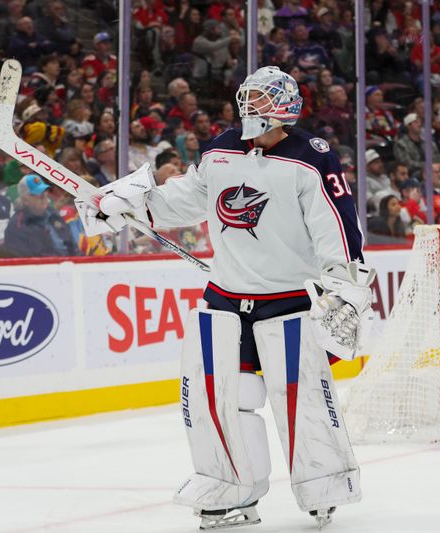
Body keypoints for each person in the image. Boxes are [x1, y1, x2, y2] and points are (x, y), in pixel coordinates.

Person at [77, 66, 371, 529]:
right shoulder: (220, 149)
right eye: (247, 97)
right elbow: (187, 198)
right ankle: (231, 489)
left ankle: (323, 485)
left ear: (285, 109)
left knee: (300, 398)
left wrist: (346, 286)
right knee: (221, 398)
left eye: (260, 99)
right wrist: (134, 204)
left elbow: (336, 225)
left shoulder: (312, 159)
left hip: (289, 300)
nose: (249, 107)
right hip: (225, 299)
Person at [4, 174, 78, 257]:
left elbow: (72, 245)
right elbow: (29, 260)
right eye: (37, 193)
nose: (43, 196)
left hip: (70, 264)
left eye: (44, 191)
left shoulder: (54, 214)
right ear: (25, 200)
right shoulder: (17, 226)